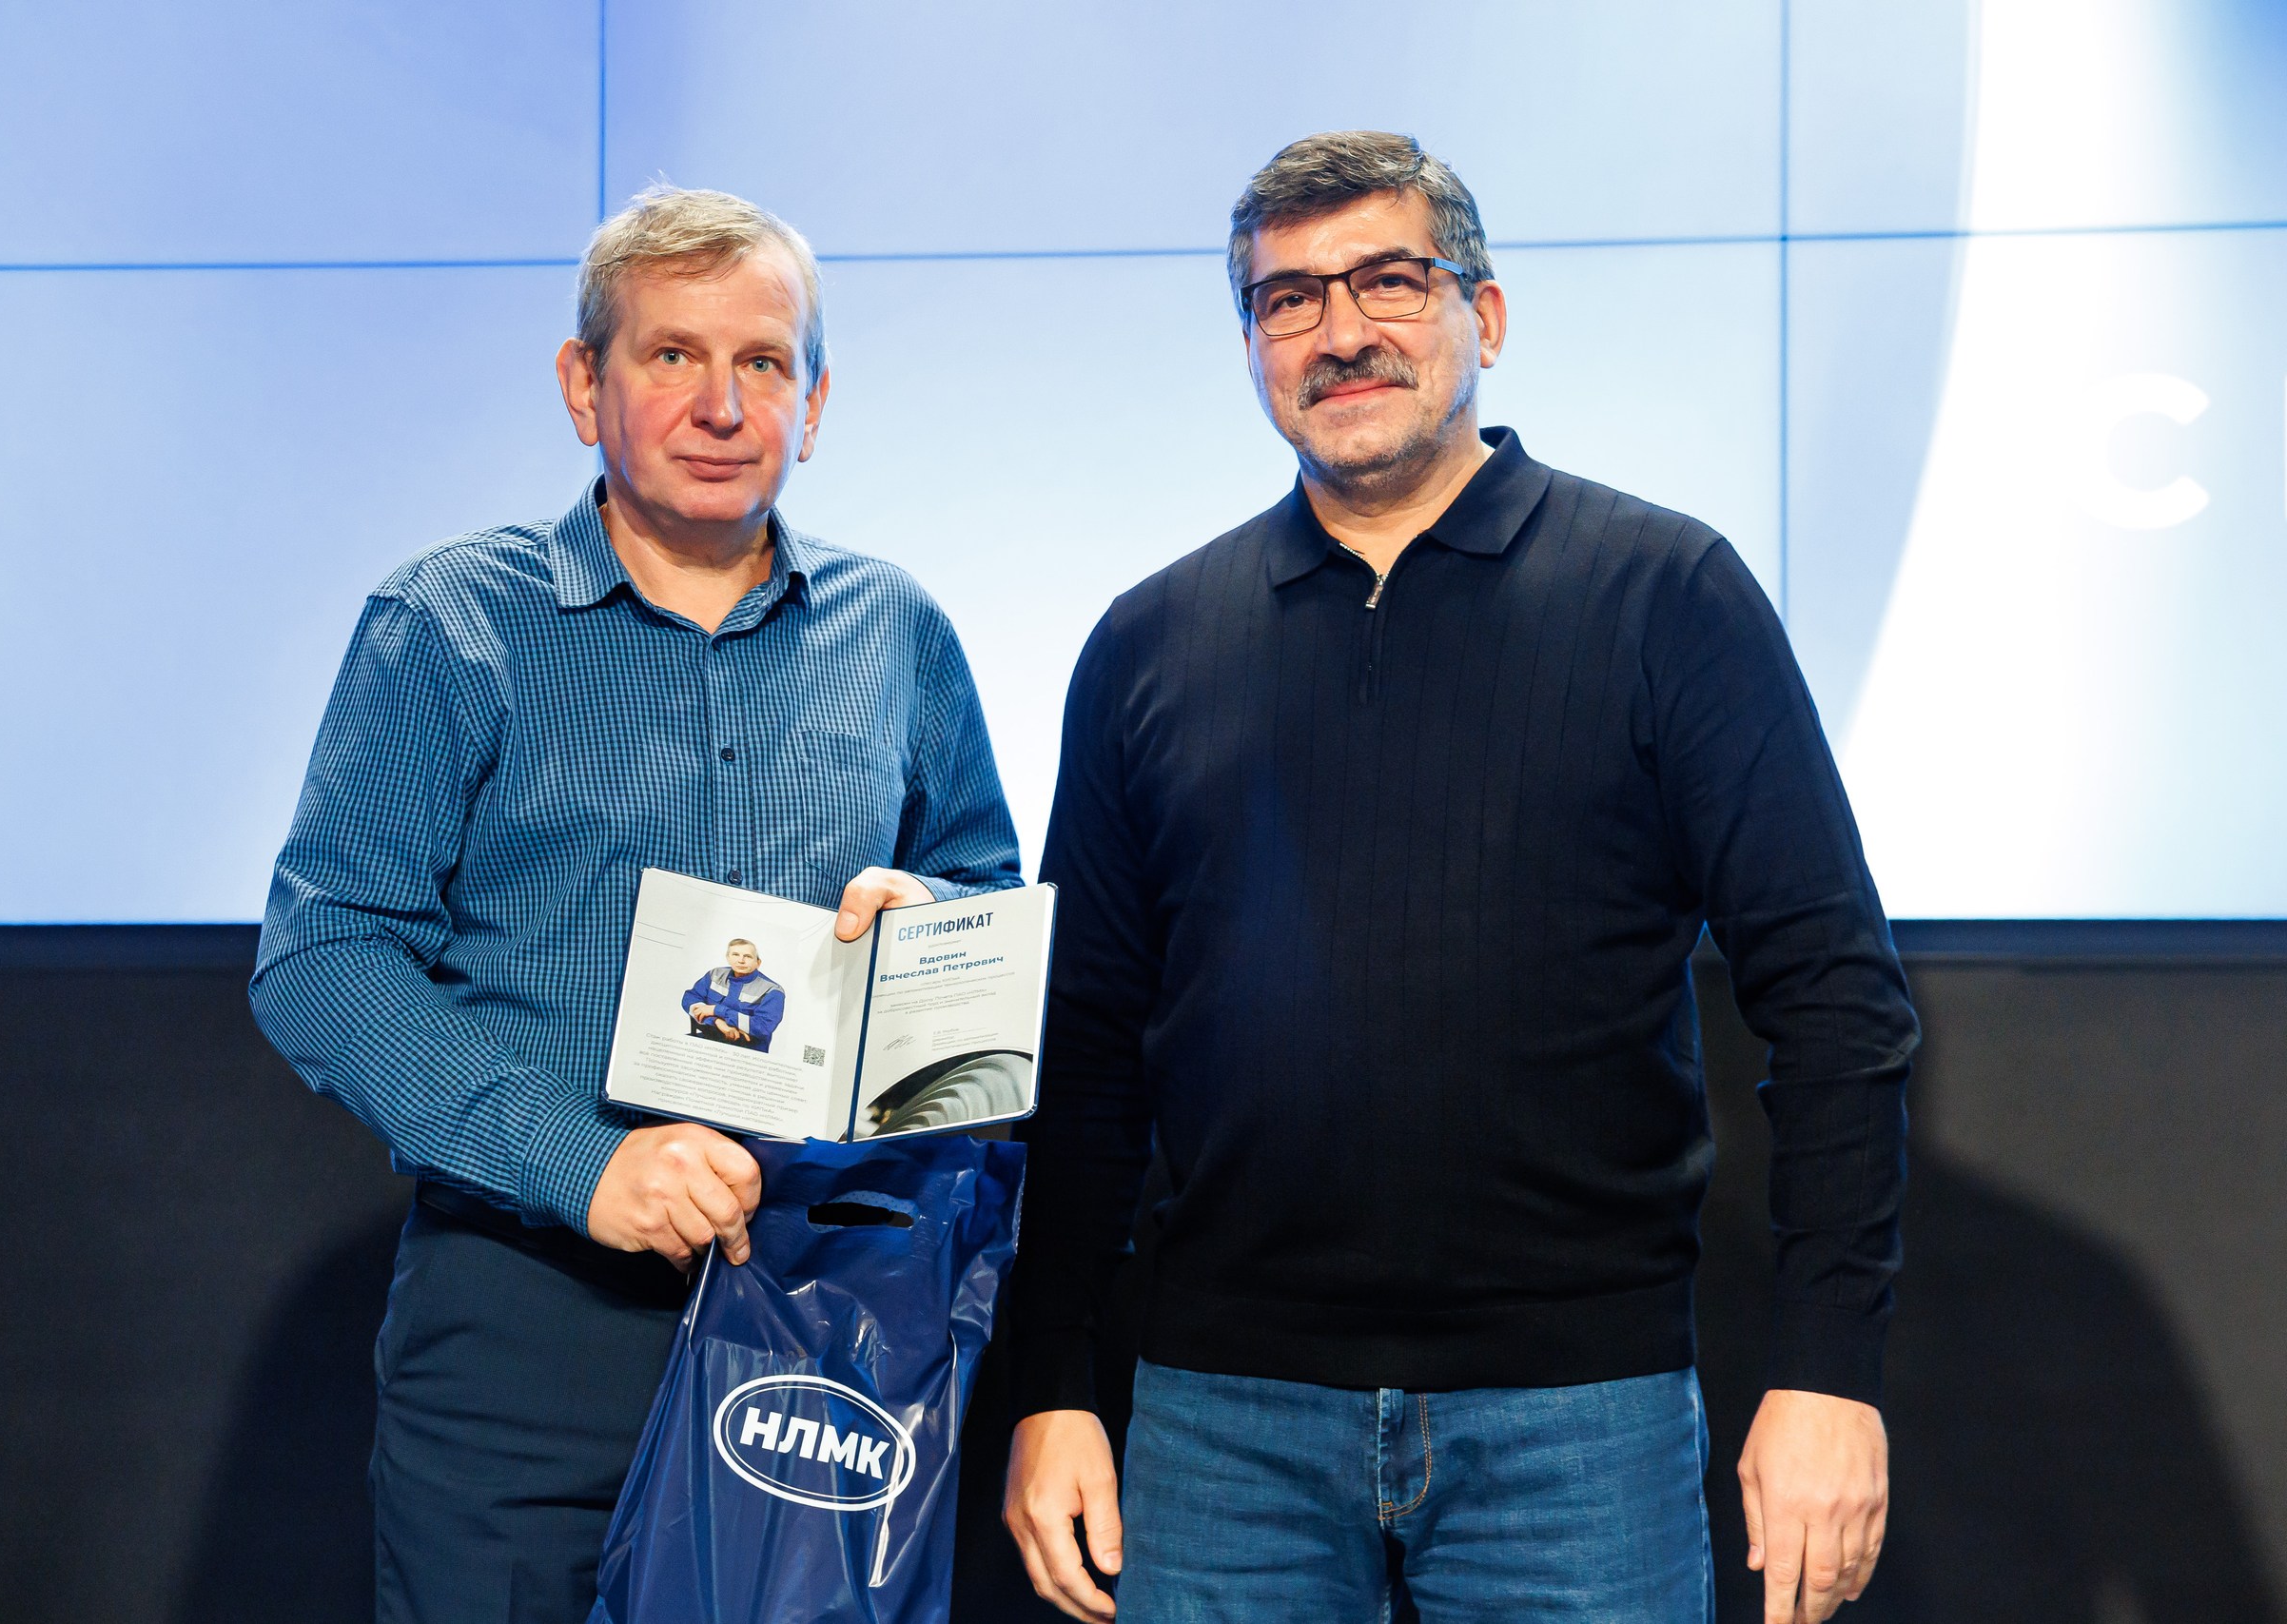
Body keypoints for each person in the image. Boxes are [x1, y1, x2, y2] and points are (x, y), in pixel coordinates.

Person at [1004, 131, 1916, 1624]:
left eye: (1388, 279)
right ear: (1252, 345)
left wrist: (1828, 1365)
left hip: (1578, 1419)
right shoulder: (1148, 642)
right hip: (1221, 1422)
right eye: (1289, 298)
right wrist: (1052, 1378)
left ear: (1482, 314)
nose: (1340, 330)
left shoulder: (1668, 594)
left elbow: (1834, 1001)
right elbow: (1086, 1042)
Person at [249, 183, 1018, 1623]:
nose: (722, 404)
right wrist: (585, 1165)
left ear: (814, 401)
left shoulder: (898, 632)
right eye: (673, 355)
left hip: (823, 1325)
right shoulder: (451, 624)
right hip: (528, 1330)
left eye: (763, 362)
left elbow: (981, 913)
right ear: (581, 383)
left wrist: (925, 925)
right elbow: (325, 953)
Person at [684, 937, 785, 1050]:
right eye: (736, 955)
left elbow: (763, 1027)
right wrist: (717, 1021)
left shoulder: (772, 990)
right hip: (709, 1040)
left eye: (748, 956)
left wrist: (716, 1010)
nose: (741, 960)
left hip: (746, 1049)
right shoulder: (715, 974)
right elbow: (690, 998)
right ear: (728, 958)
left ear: (758, 963)